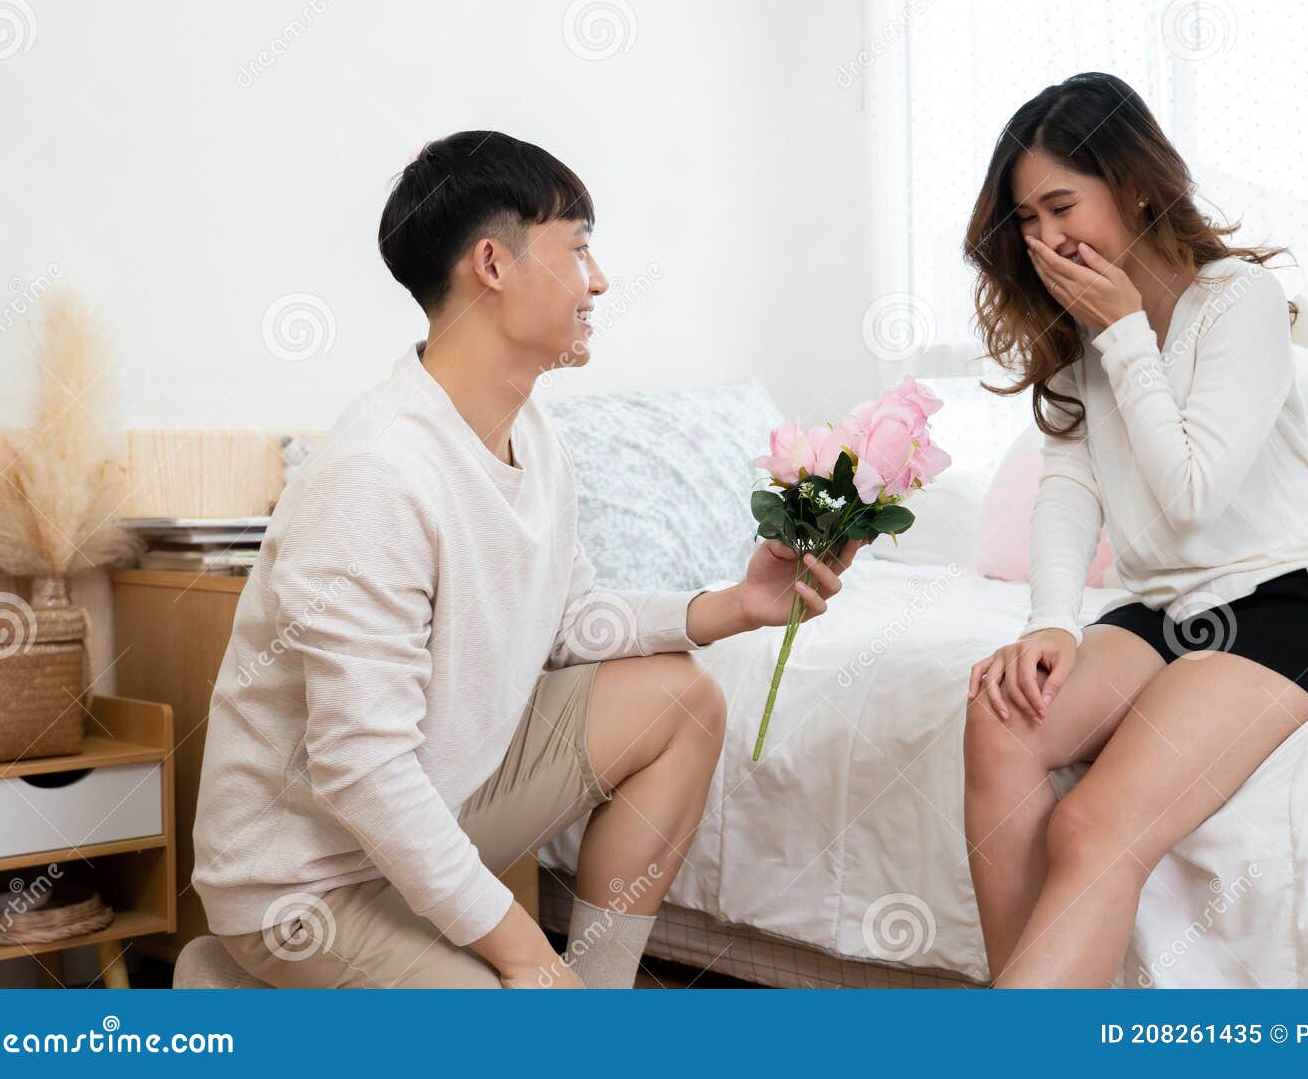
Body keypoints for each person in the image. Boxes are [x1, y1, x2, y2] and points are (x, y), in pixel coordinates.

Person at [192, 131, 859, 988]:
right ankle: (239, 976)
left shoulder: (533, 438)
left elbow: (567, 618)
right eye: (579, 248)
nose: (601, 279)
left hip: (434, 821)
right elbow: (363, 772)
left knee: (682, 697)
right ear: (493, 266)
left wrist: (733, 604)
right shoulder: (375, 475)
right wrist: (525, 951)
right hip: (309, 886)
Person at [959, 73, 1308, 988]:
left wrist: (1124, 334)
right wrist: (1048, 621)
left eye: (1060, 205)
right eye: (1025, 219)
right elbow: (1070, 486)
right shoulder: (1082, 337)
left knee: (1092, 826)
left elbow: (1191, 492)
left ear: (1136, 184)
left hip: (1297, 598)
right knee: (1000, 723)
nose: (1042, 239)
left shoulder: (1237, 300)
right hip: (1165, 605)